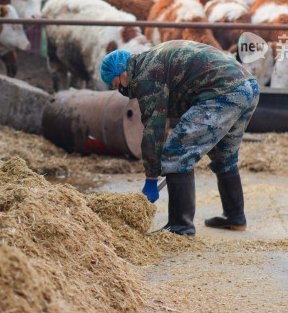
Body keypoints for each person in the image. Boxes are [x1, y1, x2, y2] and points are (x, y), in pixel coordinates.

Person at [100, 39, 259, 236]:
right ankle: (235, 217)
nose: (121, 91)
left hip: (222, 92)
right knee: (223, 155)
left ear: (122, 71)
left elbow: (154, 130)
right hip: (247, 86)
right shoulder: (152, 60)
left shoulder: (145, 76)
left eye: (117, 84)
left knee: (176, 152)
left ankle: (180, 226)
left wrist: (151, 178)